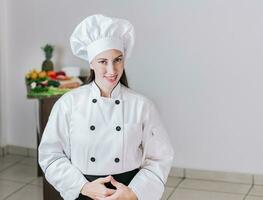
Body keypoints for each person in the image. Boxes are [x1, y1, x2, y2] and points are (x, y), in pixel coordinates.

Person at [38, 14, 174, 200]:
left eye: (118, 60)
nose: (112, 70)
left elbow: (160, 158)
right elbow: (50, 156)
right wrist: (83, 186)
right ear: (91, 62)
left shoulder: (142, 105)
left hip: (127, 193)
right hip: (82, 193)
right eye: (103, 61)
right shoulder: (68, 104)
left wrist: (134, 193)